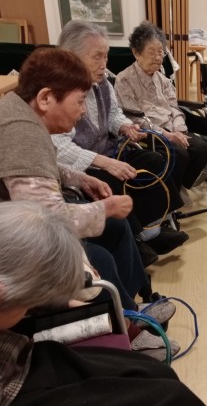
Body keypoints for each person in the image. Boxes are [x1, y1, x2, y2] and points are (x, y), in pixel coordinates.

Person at [0, 47, 178, 357]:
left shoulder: (19, 113)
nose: (83, 111)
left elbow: (43, 167)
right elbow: (48, 224)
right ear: (45, 98)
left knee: (117, 228)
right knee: (98, 259)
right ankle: (126, 333)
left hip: (18, 225)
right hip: (15, 247)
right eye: (80, 101)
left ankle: (129, 309)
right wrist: (104, 208)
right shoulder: (22, 134)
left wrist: (79, 178)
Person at [0, 200, 207, 406]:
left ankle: (133, 320)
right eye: (29, 300)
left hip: (18, 351)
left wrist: (66, 304)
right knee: (171, 398)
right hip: (10, 389)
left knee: (151, 370)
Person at [53, 20, 189, 257]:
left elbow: (114, 114)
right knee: (113, 178)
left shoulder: (102, 83)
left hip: (108, 150)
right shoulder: (58, 93)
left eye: (106, 56)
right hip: (82, 165)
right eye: (97, 57)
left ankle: (152, 230)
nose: (104, 64)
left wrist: (125, 126)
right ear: (70, 56)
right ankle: (135, 242)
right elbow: (58, 147)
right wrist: (105, 162)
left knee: (153, 160)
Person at [114, 21, 207, 198]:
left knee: (202, 149)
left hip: (172, 128)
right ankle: (171, 194)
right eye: (151, 52)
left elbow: (174, 107)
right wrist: (167, 135)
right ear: (136, 53)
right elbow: (135, 119)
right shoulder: (124, 80)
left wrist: (179, 130)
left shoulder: (163, 80)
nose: (158, 57)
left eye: (160, 52)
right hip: (148, 133)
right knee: (180, 154)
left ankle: (177, 187)